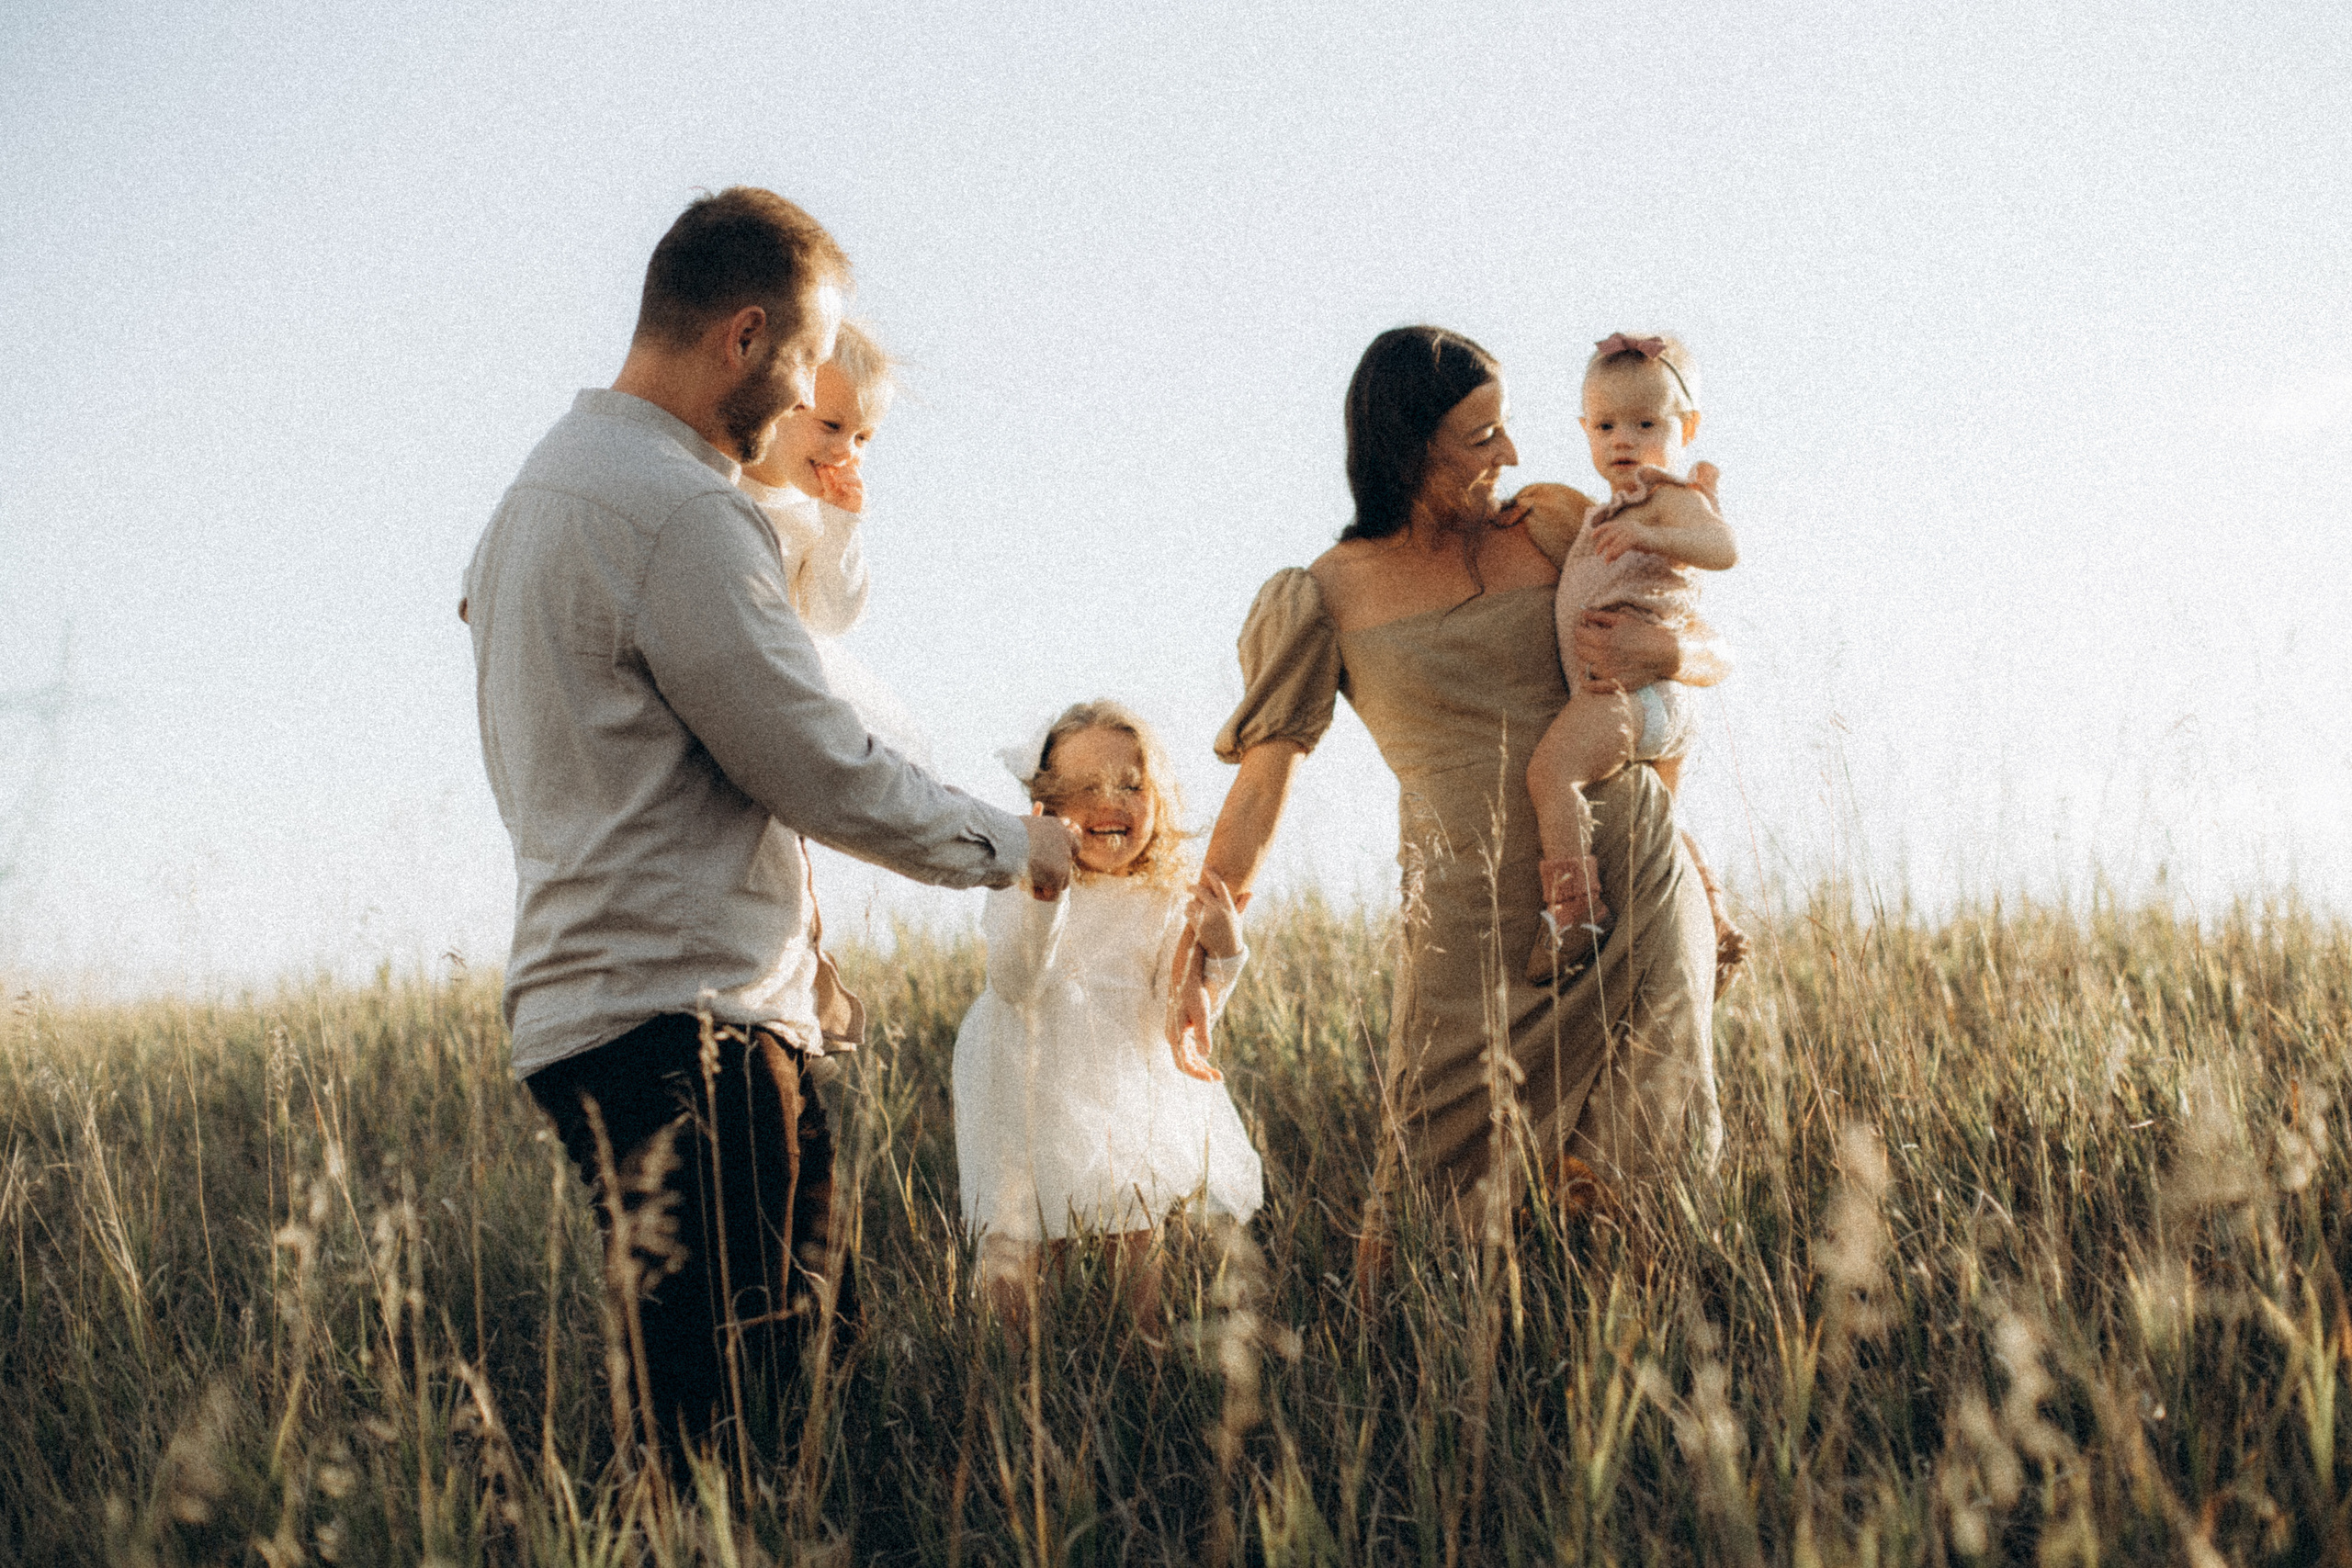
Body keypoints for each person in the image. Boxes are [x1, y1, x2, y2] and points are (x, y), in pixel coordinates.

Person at [461, 186, 1079, 1471]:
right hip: (687, 1023)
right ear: (745, 338)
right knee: (736, 1441)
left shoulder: (543, 488)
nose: (805, 395)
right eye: (802, 360)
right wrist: (1013, 848)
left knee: (742, 1403)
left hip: (614, 1004)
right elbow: (816, 763)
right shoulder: (682, 509)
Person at [1177, 324, 1723, 1229]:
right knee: (1427, 1195)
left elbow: (1682, 649)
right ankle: (1428, 1371)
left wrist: (1667, 649)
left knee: (1648, 1169)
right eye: (1480, 438)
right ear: (1409, 449)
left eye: (1505, 429)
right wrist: (1202, 944)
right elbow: (1263, 786)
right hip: (1463, 916)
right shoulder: (1323, 594)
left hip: (1624, 877)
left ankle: (1645, 1361)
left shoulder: (1549, 524)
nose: (1510, 453)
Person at [955, 701, 1263, 1330]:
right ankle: (1011, 1400)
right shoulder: (1019, 882)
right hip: (1026, 1090)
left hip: (1124, 1099)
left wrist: (1225, 950)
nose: (1111, 801)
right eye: (1086, 787)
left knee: (1135, 1271)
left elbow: (1182, 1016)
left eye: (1132, 784)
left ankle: (1137, 1388)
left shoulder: (1160, 898)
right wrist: (1045, 891)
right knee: (1018, 1268)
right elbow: (1016, 981)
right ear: (1045, 802)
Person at [1522, 333, 1745, 986]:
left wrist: (1649, 531)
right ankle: (1713, 909)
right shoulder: (1602, 511)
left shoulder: (1668, 496)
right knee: (1661, 820)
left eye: (1645, 423)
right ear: (1585, 429)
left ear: (1688, 427)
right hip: (1646, 700)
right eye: (1606, 425)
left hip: (1638, 693)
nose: (1624, 439)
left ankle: (1575, 915)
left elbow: (1724, 547)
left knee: (1551, 771)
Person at [737, 320, 929, 762]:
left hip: (777, 698)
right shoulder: (720, 482)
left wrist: (841, 526)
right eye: (831, 425)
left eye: (863, 437)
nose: (847, 449)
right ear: (786, 403)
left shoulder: (816, 519)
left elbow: (831, 618)